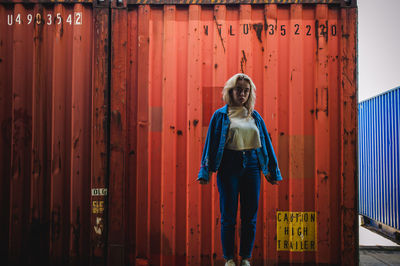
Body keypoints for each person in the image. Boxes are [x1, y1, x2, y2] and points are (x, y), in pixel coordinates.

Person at [197, 73, 282, 266]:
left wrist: (272, 171)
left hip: (252, 166)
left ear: (250, 93)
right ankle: (229, 259)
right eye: (238, 90)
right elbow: (210, 144)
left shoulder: (254, 116)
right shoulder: (220, 116)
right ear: (230, 91)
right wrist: (205, 172)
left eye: (246, 90)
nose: (242, 94)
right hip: (229, 166)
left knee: (249, 215)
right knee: (228, 215)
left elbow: (266, 145)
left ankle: (245, 258)